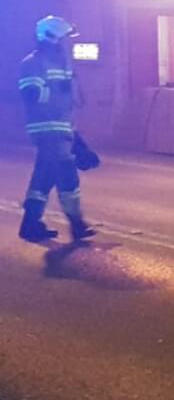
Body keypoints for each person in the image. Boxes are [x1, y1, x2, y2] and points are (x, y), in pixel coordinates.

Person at [18, 15, 94, 244]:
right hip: (47, 129)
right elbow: (31, 95)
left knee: (49, 175)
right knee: (61, 174)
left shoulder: (63, 65)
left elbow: (67, 104)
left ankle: (33, 224)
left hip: (61, 129)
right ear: (53, 39)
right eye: (65, 38)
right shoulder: (33, 63)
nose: (68, 43)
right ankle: (74, 224)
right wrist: (53, 91)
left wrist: (76, 139)